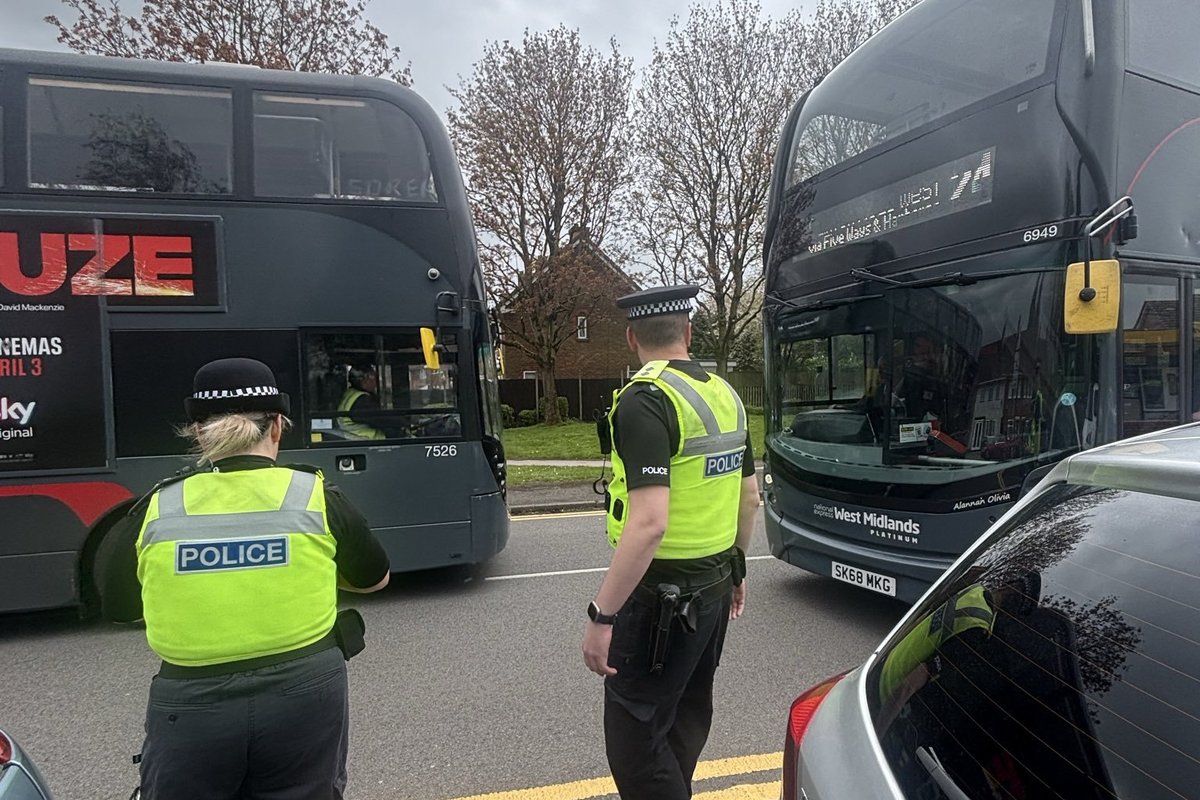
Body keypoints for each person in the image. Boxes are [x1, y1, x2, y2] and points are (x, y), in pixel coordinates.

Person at [102, 357, 391, 799]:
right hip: (306, 692)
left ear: (200, 433)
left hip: (191, 703)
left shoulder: (156, 507)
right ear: (277, 427)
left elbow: (120, 608)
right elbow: (375, 579)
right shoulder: (315, 495)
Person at [582, 285, 760, 800]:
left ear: (631, 337)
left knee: (635, 743)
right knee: (685, 718)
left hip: (660, 597)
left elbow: (649, 524)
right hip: (713, 587)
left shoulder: (646, 398)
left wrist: (602, 616)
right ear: (688, 332)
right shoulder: (726, 396)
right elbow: (749, 497)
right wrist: (736, 569)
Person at [336, 364, 386, 440]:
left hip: (353, 437)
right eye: (374, 378)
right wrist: (401, 421)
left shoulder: (350, 394)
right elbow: (380, 420)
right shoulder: (362, 400)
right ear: (365, 380)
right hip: (366, 440)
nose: (375, 383)